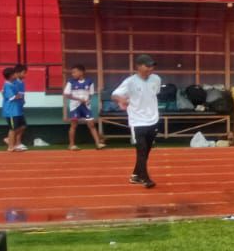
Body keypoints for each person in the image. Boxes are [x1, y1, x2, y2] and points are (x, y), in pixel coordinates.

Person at [112, 55, 162, 188]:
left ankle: (136, 175)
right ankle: (145, 178)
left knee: (146, 151)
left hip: (153, 119)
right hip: (137, 121)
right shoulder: (130, 82)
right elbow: (115, 94)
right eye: (147, 65)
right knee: (141, 149)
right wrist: (120, 99)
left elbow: (154, 93)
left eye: (152, 66)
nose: (150, 68)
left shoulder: (156, 79)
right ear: (138, 66)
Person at [63, 64, 105, 151]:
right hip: (75, 106)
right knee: (74, 125)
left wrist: (88, 100)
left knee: (91, 125)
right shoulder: (70, 82)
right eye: (72, 72)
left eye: (75, 72)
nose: (73, 74)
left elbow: (91, 94)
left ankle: (98, 143)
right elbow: (66, 94)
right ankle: (71, 145)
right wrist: (78, 99)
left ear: (81, 72)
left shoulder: (89, 82)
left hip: (86, 106)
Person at [0, 66, 26, 152]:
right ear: (11, 75)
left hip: (17, 110)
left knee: (23, 126)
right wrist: (18, 96)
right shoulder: (7, 85)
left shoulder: (13, 83)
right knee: (13, 128)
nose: (16, 75)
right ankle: (11, 146)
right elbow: (12, 97)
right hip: (11, 111)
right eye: (14, 73)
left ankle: (9, 139)